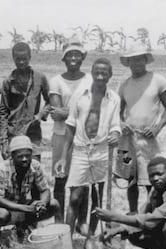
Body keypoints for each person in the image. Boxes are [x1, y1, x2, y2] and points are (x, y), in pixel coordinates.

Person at [55, 58, 121, 249]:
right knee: (75, 197)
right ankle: (66, 240)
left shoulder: (114, 99)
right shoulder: (80, 95)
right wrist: (63, 158)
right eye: (97, 72)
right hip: (81, 150)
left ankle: (91, 236)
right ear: (92, 73)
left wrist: (116, 133)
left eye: (105, 72)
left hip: (101, 151)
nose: (100, 76)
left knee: (97, 197)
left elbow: (116, 124)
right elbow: (70, 125)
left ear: (110, 75)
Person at [119, 44, 166, 213]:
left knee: (152, 179)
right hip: (128, 139)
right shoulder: (125, 85)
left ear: (145, 60)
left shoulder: (157, 80)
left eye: (139, 59)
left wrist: (157, 128)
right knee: (130, 179)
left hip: (148, 139)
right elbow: (118, 112)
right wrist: (121, 124)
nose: (136, 63)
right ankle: (133, 215)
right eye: (132, 60)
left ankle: (154, 215)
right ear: (128, 63)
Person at [48, 38, 93, 222]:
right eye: (69, 55)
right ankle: (58, 220)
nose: (73, 58)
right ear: (64, 59)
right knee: (60, 178)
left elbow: (94, 109)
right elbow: (56, 114)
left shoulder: (90, 79)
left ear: (82, 58)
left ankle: (81, 221)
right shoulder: (56, 81)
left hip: (84, 137)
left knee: (84, 181)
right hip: (61, 135)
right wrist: (80, 111)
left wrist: (68, 111)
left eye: (77, 54)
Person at [0, 135, 60, 241]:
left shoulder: (35, 166)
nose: (24, 159)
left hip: (21, 204)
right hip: (1, 208)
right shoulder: (1, 169)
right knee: (1, 215)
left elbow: (44, 189)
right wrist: (26, 209)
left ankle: (23, 226)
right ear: (12, 156)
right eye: (20, 156)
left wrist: (42, 203)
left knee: (54, 204)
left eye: (28, 155)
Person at [0, 42, 49, 162]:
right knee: (15, 170)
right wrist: (3, 141)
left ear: (30, 58)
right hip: (14, 133)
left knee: (35, 168)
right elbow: (3, 112)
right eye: (18, 59)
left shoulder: (40, 78)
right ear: (13, 59)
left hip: (33, 132)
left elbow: (51, 101)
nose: (21, 62)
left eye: (24, 59)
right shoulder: (8, 82)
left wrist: (40, 115)